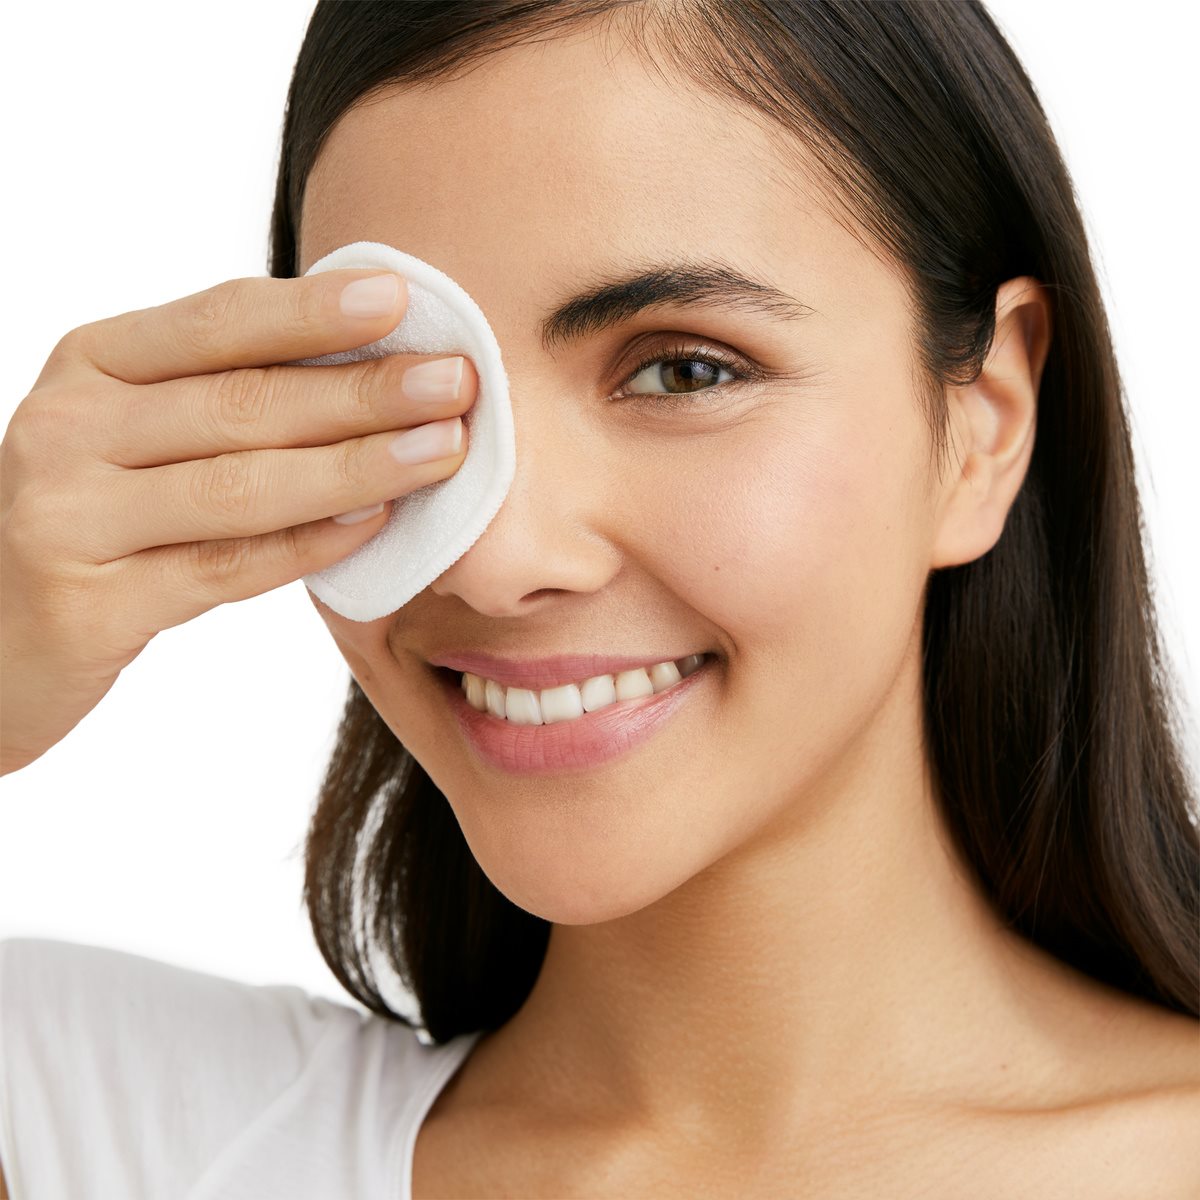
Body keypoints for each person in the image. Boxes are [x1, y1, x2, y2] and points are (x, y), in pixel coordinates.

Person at [2, 2, 1197, 1197]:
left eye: (682, 370)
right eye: (389, 391)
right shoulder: (82, 1127)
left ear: (984, 425)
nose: (492, 558)